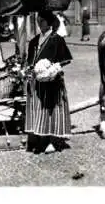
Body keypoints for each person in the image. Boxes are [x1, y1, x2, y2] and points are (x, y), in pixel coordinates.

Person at [26, 10, 73, 154]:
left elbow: (65, 59)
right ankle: (40, 137)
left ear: (49, 22)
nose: (40, 24)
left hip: (52, 81)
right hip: (37, 82)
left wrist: (54, 68)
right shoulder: (34, 41)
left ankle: (52, 141)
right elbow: (30, 62)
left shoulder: (56, 39)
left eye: (42, 21)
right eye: (38, 21)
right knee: (39, 110)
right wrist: (30, 71)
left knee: (51, 110)